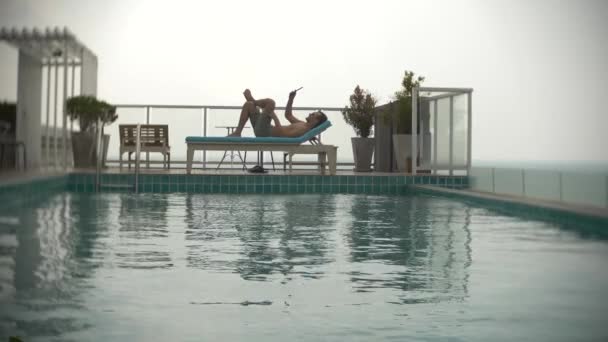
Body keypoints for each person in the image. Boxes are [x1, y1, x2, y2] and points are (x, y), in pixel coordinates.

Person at [228, 89, 327, 138]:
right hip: (264, 128)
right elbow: (288, 115)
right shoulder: (302, 124)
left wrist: (274, 117)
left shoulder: (303, 130)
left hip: (266, 132)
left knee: (271, 103)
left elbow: (283, 134)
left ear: (316, 121)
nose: (310, 114)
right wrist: (291, 99)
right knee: (248, 105)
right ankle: (237, 133)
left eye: (313, 114)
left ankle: (254, 101)